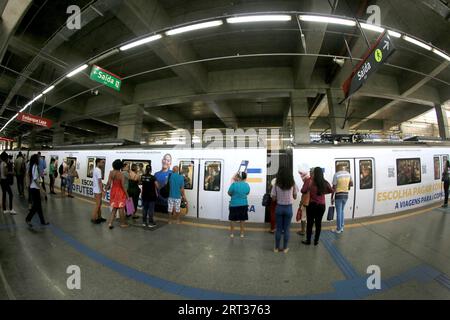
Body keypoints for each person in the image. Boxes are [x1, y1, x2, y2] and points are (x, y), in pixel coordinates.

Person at [301, 167, 333, 246]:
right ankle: (316, 241)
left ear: (314, 173)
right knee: (318, 224)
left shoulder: (310, 181)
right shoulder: (324, 182)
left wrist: (308, 189)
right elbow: (331, 190)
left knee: (310, 224)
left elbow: (303, 190)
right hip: (321, 206)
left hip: (312, 205)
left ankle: (308, 241)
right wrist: (324, 192)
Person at [271, 166, 298, 253]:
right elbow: (295, 196)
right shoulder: (292, 183)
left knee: (278, 229)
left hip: (279, 207)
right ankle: (285, 248)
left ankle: (276, 248)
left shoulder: (276, 183)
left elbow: (273, 198)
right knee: (286, 229)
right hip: (288, 208)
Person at [25, 154, 49, 227]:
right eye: (38, 159)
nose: (39, 160)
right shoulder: (35, 166)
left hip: (33, 188)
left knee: (38, 206)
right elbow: (35, 179)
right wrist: (42, 189)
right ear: (36, 159)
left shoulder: (32, 166)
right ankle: (28, 219)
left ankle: (42, 221)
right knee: (36, 206)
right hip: (35, 188)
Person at [106, 159, 129, 229]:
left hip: (113, 191)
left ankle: (110, 223)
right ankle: (122, 223)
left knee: (114, 208)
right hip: (120, 192)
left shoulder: (111, 172)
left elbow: (109, 183)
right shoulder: (121, 174)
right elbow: (123, 186)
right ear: (120, 166)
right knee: (121, 208)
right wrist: (127, 195)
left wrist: (106, 188)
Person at [331, 164, 353, 234]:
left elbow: (334, 188)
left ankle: (338, 229)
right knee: (342, 211)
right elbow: (351, 184)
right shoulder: (348, 174)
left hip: (339, 195)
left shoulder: (336, 175)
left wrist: (332, 197)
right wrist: (346, 187)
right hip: (346, 195)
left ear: (338, 168)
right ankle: (342, 227)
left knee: (338, 213)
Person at [228, 172, 250, 238]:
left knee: (232, 219)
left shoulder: (234, 185)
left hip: (234, 204)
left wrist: (234, 196)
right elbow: (247, 193)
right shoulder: (246, 185)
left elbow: (229, 193)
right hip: (243, 204)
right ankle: (242, 234)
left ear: (239, 177)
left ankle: (232, 234)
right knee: (242, 219)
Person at [91, 158, 107, 224]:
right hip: (98, 190)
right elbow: (99, 182)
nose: (103, 164)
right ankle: (94, 218)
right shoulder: (98, 170)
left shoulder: (95, 169)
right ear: (98, 163)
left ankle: (99, 217)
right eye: (102, 162)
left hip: (96, 189)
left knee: (99, 204)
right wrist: (102, 191)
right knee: (98, 205)